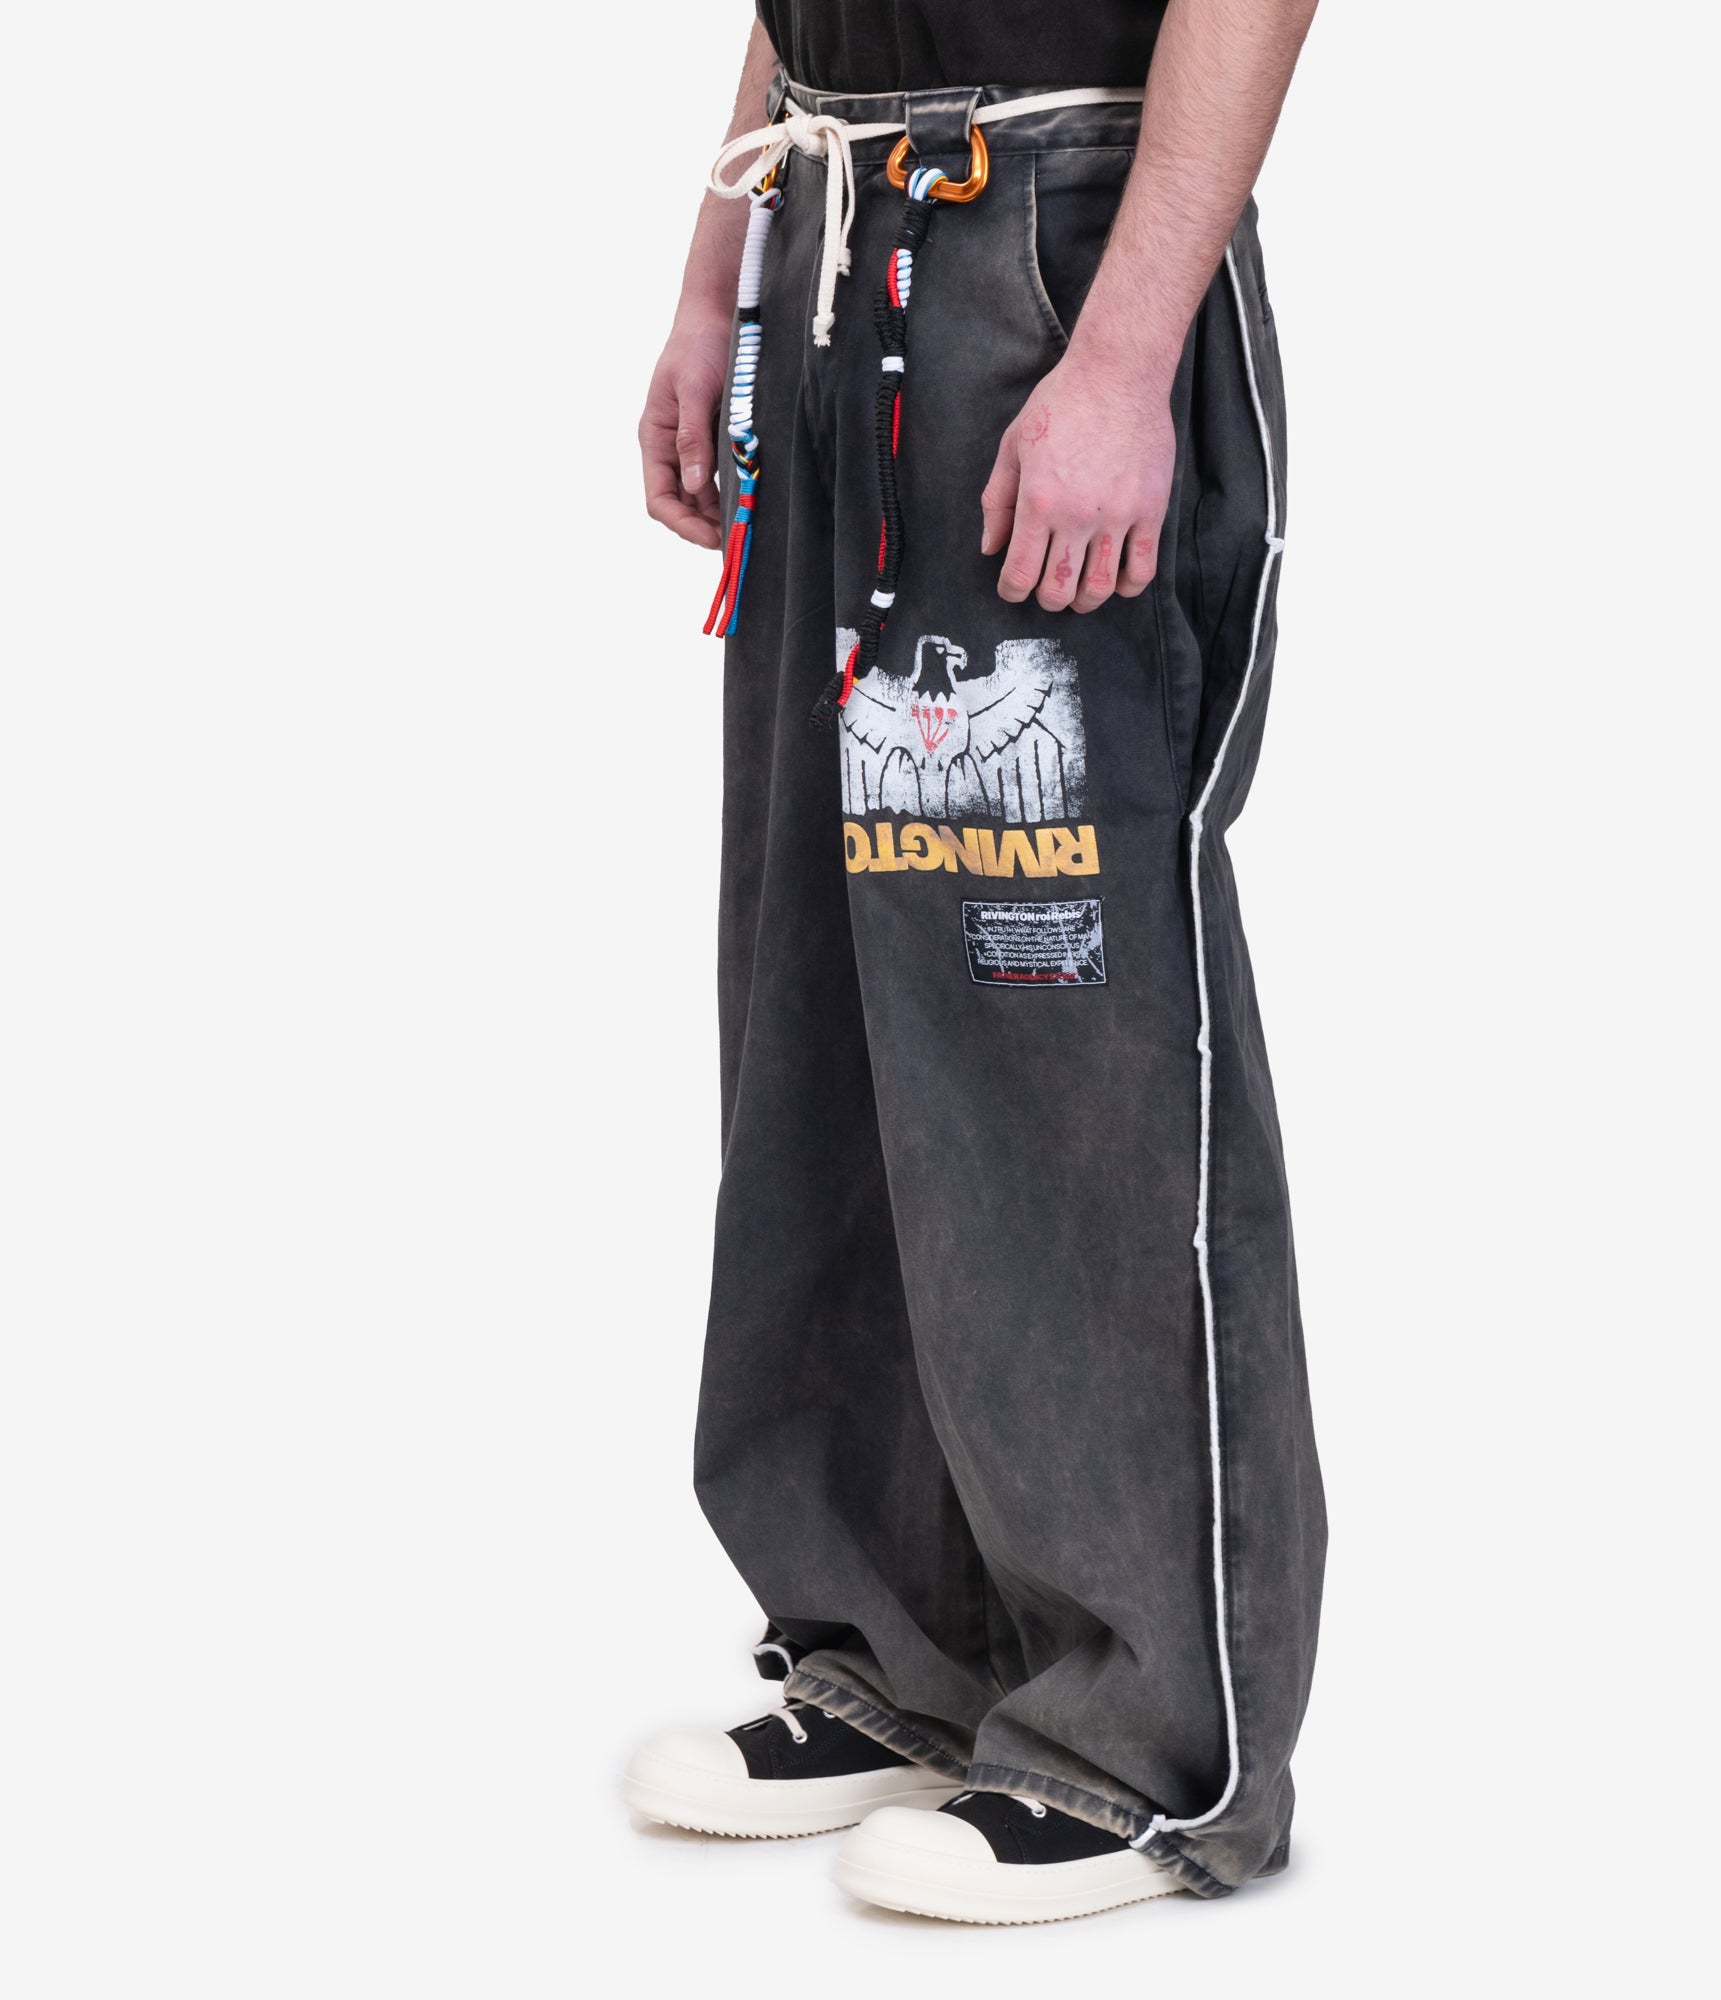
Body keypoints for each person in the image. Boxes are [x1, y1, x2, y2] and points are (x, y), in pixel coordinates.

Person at [625, 0, 1326, 1924]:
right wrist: (719, 265)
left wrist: (1127, 352)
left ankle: (1146, 1739)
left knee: (1055, 1006)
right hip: (833, 223)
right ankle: (898, 1655)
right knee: (826, 1002)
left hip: (1053, 238)